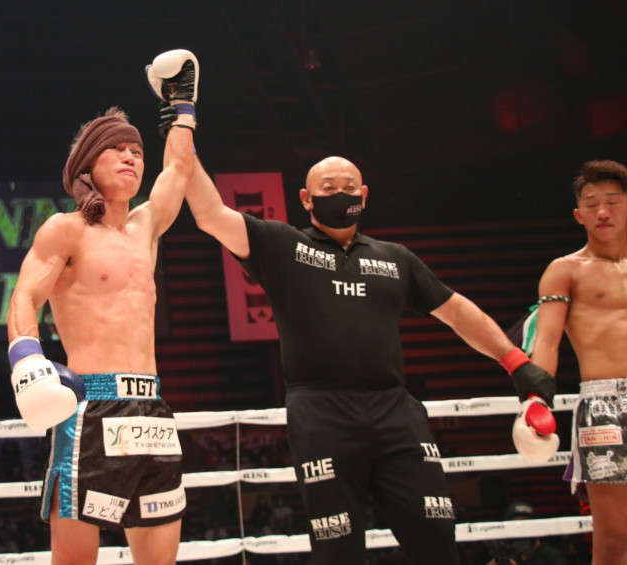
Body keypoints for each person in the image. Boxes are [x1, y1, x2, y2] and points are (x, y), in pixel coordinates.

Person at [174, 136, 556, 563]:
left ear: (365, 195)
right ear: (306, 199)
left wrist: (516, 362)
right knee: (338, 552)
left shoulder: (396, 259)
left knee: (436, 539)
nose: (341, 194)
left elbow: (456, 310)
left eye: (349, 187)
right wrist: (182, 132)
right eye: (328, 188)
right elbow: (210, 214)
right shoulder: (283, 245)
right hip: (321, 413)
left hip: (395, 410)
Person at [6, 50, 199, 564]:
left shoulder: (146, 228)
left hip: (152, 410)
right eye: (116, 149)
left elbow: (179, 167)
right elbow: (25, 295)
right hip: (92, 406)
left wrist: (182, 105)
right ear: (88, 164)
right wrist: (26, 360)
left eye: (136, 150)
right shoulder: (66, 230)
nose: (131, 157)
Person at [529, 159, 627, 565]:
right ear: (578, 215)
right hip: (604, 406)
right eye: (591, 204)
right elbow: (546, 340)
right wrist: (534, 399)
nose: (602, 212)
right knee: (614, 538)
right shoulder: (564, 271)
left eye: (613, 201)